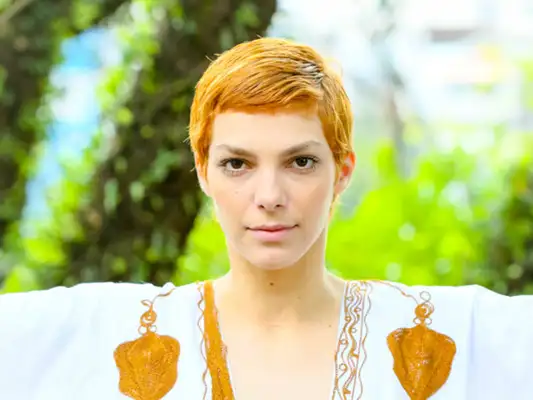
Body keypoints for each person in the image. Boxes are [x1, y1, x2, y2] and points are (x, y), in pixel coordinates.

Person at [0, 37, 532, 400]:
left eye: (300, 162)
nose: (270, 196)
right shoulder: (100, 331)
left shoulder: (456, 332)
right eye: (238, 164)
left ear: (343, 171)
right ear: (203, 172)